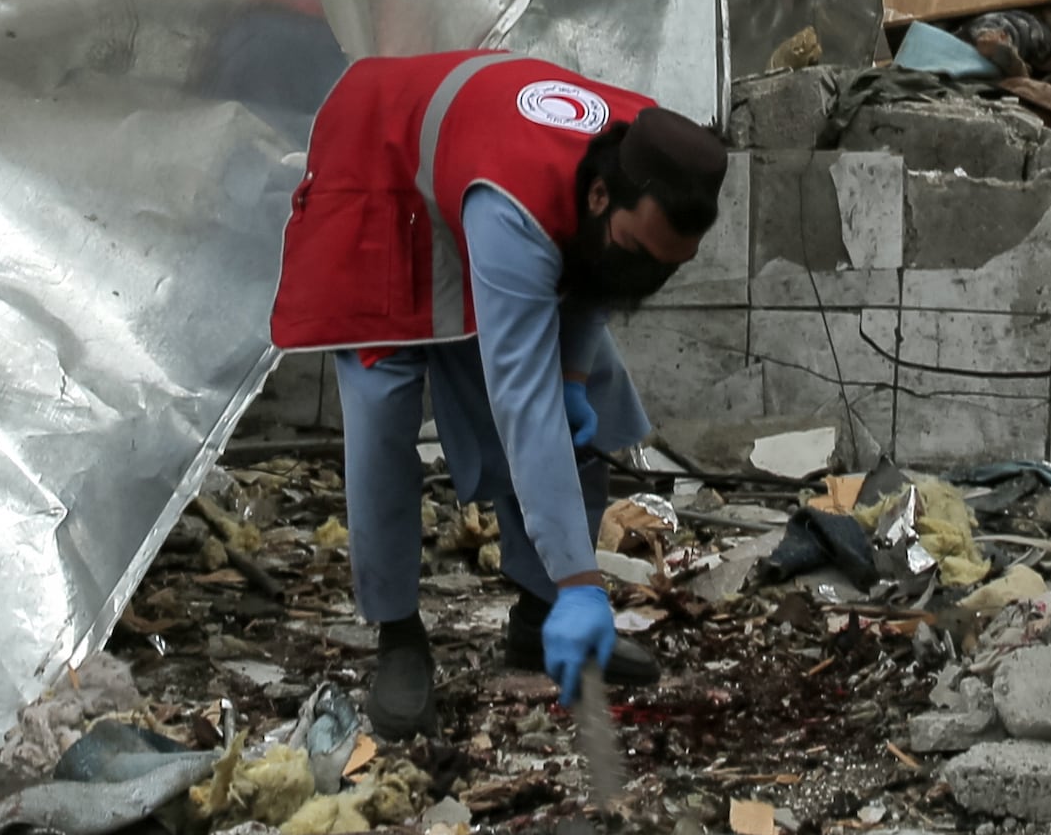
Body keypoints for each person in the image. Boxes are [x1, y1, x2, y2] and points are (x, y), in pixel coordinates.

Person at [270, 49, 727, 737]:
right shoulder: (515, 205)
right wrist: (583, 581)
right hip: (379, 171)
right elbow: (522, 396)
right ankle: (398, 634)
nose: (646, 275)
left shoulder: (647, 151)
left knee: (596, 390)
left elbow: (603, 273)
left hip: (467, 167)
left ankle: (540, 616)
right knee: (383, 407)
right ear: (602, 198)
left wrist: (576, 375)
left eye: (664, 267)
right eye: (638, 248)